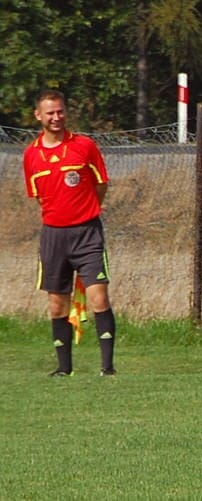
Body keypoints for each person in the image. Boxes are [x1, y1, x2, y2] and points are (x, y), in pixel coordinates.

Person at [23, 89, 117, 377]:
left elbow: (100, 184)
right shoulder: (31, 155)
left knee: (98, 297)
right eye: (50, 112)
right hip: (53, 236)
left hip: (87, 232)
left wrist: (86, 211)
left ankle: (108, 368)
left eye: (60, 111)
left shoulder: (84, 146)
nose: (56, 117)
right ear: (38, 115)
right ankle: (64, 369)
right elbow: (41, 197)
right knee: (56, 304)